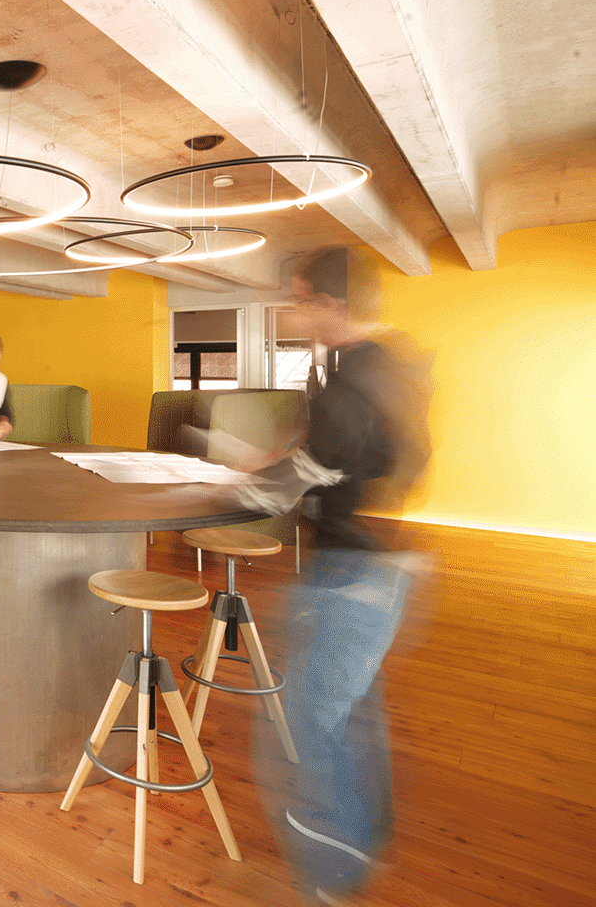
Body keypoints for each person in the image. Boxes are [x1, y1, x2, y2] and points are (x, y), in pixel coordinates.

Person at [229, 247, 432, 903]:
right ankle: (365, 836)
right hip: (383, 565)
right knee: (352, 714)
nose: (291, 312)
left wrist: (245, 481)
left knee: (307, 723)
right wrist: (292, 460)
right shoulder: (386, 365)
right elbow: (351, 455)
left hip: (352, 573)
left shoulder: (349, 384)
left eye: (298, 299)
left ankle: (334, 871)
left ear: (329, 304)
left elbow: (286, 487)